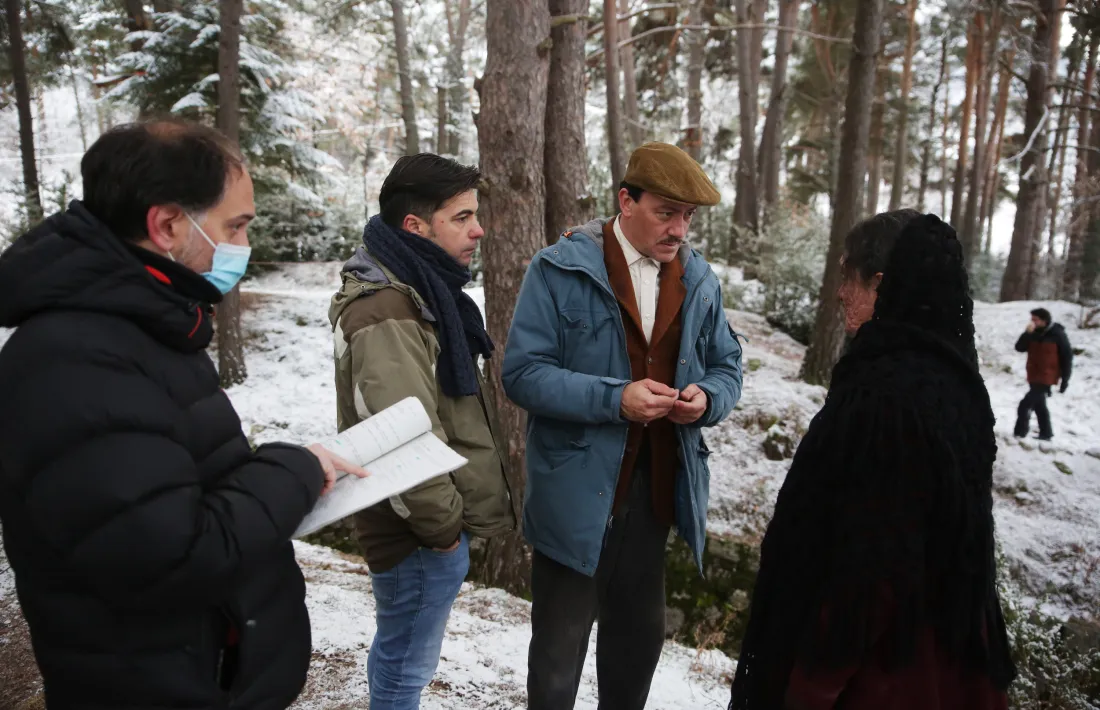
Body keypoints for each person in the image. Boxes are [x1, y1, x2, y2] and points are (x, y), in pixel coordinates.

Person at [0, 120, 367, 709]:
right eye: (236, 226)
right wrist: (292, 472)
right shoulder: (74, 361)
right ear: (168, 224)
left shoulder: (141, 327)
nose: (245, 245)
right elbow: (170, 555)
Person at [729, 210, 1016, 710]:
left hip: (878, 677)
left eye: (848, 276)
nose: (840, 292)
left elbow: (869, 571)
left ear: (881, 284)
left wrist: (809, 687)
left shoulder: (883, 399)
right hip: (950, 673)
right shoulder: (959, 388)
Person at [503, 142, 744, 710]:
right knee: (557, 664)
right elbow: (523, 374)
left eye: (688, 216)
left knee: (636, 650)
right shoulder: (559, 268)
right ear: (625, 202)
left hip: (658, 494)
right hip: (576, 497)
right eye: (666, 212)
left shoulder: (700, 279)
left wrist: (707, 399)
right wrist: (616, 399)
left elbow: (729, 366)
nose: (680, 229)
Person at [329, 153, 515, 710]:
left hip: (422, 525)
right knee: (405, 665)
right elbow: (400, 435)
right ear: (415, 226)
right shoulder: (388, 306)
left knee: (402, 656)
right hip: (414, 530)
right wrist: (443, 531)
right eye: (461, 217)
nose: (478, 229)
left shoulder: (421, 290)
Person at [1014, 307, 1073, 441]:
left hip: (1047, 376)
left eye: (1035, 320)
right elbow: (1019, 348)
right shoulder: (1032, 333)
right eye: (1032, 319)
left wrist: (1065, 380)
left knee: (1025, 405)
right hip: (1033, 374)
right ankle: (1046, 433)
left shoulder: (1057, 334)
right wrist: (1026, 334)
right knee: (1040, 405)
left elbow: (1066, 357)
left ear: (1044, 321)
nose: (1033, 322)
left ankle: (1019, 432)